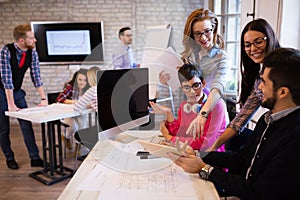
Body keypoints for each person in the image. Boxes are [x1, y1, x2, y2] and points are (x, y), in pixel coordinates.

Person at [173, 48, 300, 199]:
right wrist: (199, 155)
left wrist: (205, 169)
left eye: (264, 82)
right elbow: (240, 159)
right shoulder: (266, 119)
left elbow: (258, 192)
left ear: (283, 92)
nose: (259, 87)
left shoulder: (294, 139)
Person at [208, 18, 281, 151]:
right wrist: (211, 149)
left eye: (258, 42)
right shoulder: (259, 79)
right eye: (247, 45)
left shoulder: (287, 66)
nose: (253, 49)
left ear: (269, 38)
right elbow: (240, 119)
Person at [159, 8, 231, 138]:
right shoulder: (188, 56)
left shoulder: (222, 58)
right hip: (191, 111)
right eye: (197, 34)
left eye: (207, 31)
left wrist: (202, 114)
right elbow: (185, 87)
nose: (203, 38)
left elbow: (217, 89)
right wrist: (170, 81)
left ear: (214, 29)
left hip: (212, 113)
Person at [150, 63, 227, 151]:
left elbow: (205, 143)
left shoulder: (217, 105)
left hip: (210, 156)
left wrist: (169, 138)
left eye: (196, 85)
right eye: (186, 87)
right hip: (189, 151)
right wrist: (168, 113)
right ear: (182, 88)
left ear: (203, 83)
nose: (192, 92)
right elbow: (179, 134)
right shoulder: (185, 106)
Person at [0, 24, 45, 169]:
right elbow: (6, 80)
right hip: (2, 92)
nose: (35, 40)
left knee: (26, 124)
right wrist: (11, 104)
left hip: (17, 91)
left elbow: (36, 77)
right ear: (21, 40)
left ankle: (35, 158)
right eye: (31, 38)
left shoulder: (32, 53)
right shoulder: (6, 51)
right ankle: (9, 158)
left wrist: (43, 99)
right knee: (3, 128)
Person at [56, 68, 89, 150]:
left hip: (81, 112)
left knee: (82, 128)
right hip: (70, 112)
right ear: (75, 79)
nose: (82, 82)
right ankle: (66, 137)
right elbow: (60, 99)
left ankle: (78, 148)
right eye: (80, 79)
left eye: (84, 80)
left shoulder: (88, 89)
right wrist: (75, 101)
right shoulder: (70, 87)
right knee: (73, 127)